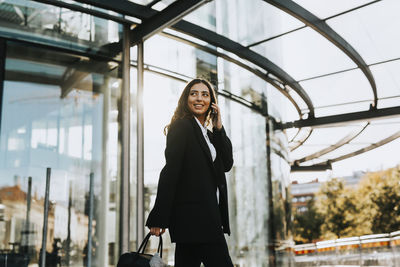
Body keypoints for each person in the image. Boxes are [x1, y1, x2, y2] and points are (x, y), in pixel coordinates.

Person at [146, 78, 234, 267]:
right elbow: (171, 171)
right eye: (193, 93)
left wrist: (219, 128)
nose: (199, 98)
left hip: (203, 220)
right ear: (186, 99)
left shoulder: (208, 135)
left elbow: (226, 164)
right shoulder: (182, 126)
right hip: (198, 220)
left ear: (212, 101)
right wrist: (159, 217)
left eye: (205, 94)